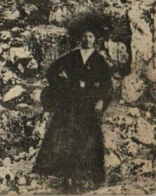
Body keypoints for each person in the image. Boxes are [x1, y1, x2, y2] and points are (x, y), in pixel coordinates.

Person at [33, 26, 113, 193]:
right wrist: (64, 86)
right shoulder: (71, 57)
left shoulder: (99, 60)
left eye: (91, 35)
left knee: (90, 137)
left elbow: (107, 85)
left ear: (95, 39)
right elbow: (52, 72)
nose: (87, 39)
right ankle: (59, 174)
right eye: (84, 35)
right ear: (80, 38)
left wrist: (100, 101)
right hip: (70, 103)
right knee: (64, 133)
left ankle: (90, 176)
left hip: (89, 104)